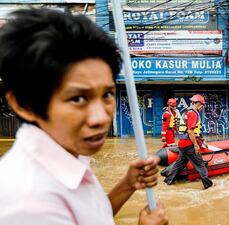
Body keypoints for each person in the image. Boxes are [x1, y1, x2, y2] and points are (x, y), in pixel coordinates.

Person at [0, 8, 168, 225]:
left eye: (107, 94)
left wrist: (126, 185)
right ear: (24, 104)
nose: (100, 118)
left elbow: (91, 216)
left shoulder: (70, 155)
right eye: (78, 99)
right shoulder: (28, 203)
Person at [162, 94, 213, 189]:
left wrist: (202, 140)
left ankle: (167, 182)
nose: (202, 107)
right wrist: (196, 145)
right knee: (200, 165)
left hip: (182, 144)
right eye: (202, 105)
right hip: (189, 144)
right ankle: (208, 185)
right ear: (198, 104)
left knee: (179, 164)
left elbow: (194, 129)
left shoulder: (186, 112)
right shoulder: (193, 113)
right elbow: (190, 130)